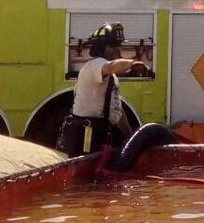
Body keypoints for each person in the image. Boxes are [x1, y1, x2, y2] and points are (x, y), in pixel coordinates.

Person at [57, 22, 149, 157]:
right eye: (112, 45)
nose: (118, 50)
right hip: (86, 136)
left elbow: (118, 111)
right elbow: (111, 66)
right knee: (86, 173)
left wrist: (130, 137)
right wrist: (132, 63)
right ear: (101, 48)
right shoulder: (94, 66)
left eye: (118, 45)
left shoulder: (111, 77)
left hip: (100, 133)